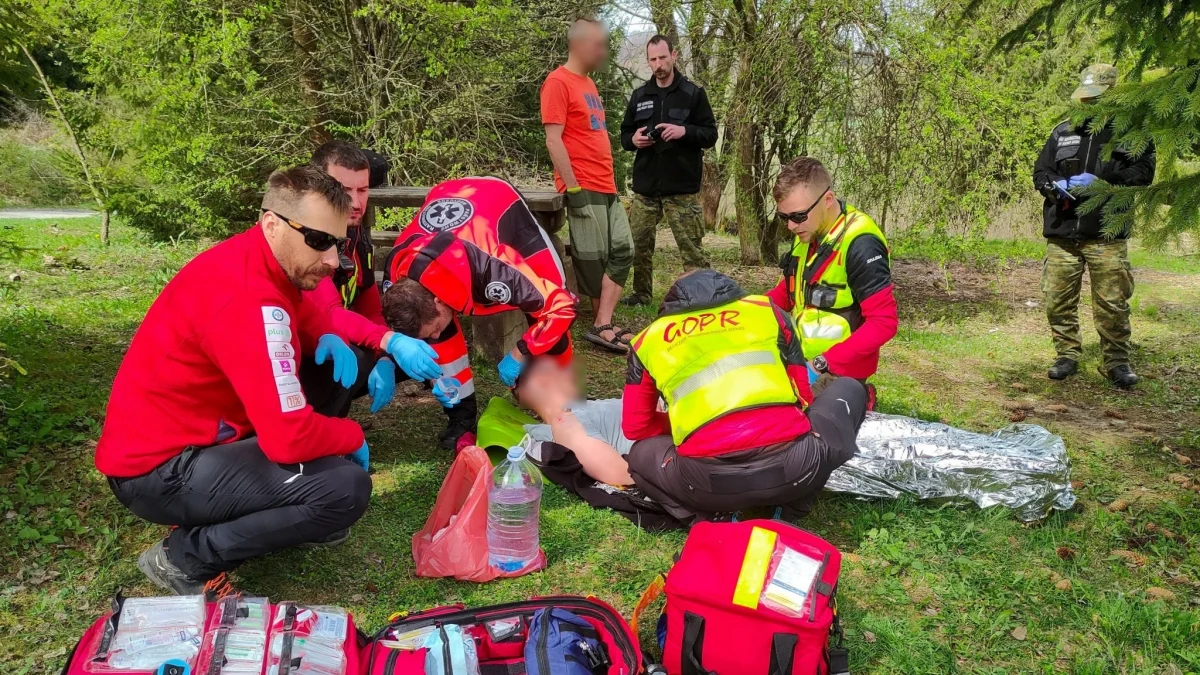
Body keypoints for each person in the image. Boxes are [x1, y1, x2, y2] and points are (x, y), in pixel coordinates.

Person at [94, 167, 437, 597]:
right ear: (272, 224)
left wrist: (343, 338)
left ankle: (275, 512)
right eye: (318, 241)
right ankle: (185, 558)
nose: (332, 260)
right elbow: (288, 440)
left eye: (337, 242)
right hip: (160, 469)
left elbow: (306, 312)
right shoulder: (247, 299)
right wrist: (349, 436)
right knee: (344, 489)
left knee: (328, 375)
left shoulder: (257, 259)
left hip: (198, 432)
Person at [622, 270, 869, 522]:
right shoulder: (768, 311)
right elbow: (803, 397)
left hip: (706, 484)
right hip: (798, 469)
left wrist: (688, 426)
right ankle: (794, 505)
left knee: (640, 454)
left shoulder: (648, 340)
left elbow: (635, 428)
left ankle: (703, 518)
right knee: (850, 387)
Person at [381, 177, 578, 448]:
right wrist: (399, 360)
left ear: (439, 301)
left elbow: (561, 309)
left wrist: (521, 350)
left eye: (434, 328)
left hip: (499, 205)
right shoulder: (396, 272)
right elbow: (412, 330)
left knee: (547, 306)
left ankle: (565, 400)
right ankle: (461, 417)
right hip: (446, 197)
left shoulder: (494, 267)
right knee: (440, 336)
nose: (434, 335)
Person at [1032, 64, 1155, 388]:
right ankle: (1066, 355)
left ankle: (1116, 363)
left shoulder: (1133, 132)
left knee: (1112, 302)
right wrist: (1054, 185)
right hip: (1063, 231)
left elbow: (1143, 174)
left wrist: (1101, 181)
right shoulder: (1063, 131)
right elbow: (1041, 172)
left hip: (1106, 234)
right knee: (1057, 299)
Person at [303, 140, 444, 416]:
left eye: (363, 190)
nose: (356, 203)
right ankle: (325, 430)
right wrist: (388, 342)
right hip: (295, 352)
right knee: (355, 352)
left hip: (331, 338)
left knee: (414, 336)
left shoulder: (356, 236)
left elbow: (370, 310)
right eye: (344, 190)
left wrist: (386, 358)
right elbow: (328, 314)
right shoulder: (308, 239)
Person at [541, 17, 636, 353]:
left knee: (623, 250)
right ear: (578, 44)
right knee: (592, 258)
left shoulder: (589, 84)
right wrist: (573, 187)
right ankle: (602, 324)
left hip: (606, 184)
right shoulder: (558, 82)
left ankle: (602, 321)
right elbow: (554, 140)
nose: (603, 50)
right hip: (583, 184)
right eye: (598, 44)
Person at [766, 157, 897, 390]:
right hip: (803, 359)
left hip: (840, 370)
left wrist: (820, 364)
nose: (791, 226)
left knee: (786, 415)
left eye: (798, 216)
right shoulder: (808, 234)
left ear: (827, 200)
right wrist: (744, 310)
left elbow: (884, 323)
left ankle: (860, 399)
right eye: (783, 217)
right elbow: (786, 294)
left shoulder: (860, 243)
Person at [618, 34, 717, 306]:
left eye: (663, 57)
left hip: (681, 188)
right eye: (653, 59)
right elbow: (624, 136)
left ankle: (702, 298)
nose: (658, 64)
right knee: (638, 245)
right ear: (648, 61)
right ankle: (641, 294)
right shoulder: (640, 96)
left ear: (673, 56)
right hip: (646, 187)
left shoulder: (692, 94)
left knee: (692, 249)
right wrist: (634, 140)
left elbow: (710, 134)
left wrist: (684, 131)